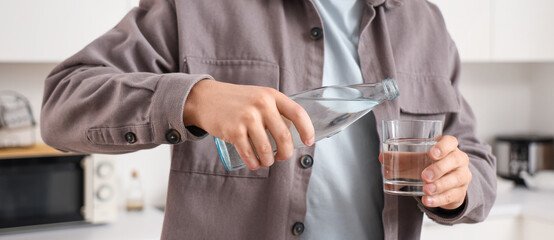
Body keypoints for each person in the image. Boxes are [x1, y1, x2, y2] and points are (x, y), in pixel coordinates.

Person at [40, 0, 497, 239]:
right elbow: (63, 105)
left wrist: (459, 185)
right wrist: (195, 98)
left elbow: (474, 159)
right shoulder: (197, 7)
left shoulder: (425, 22)